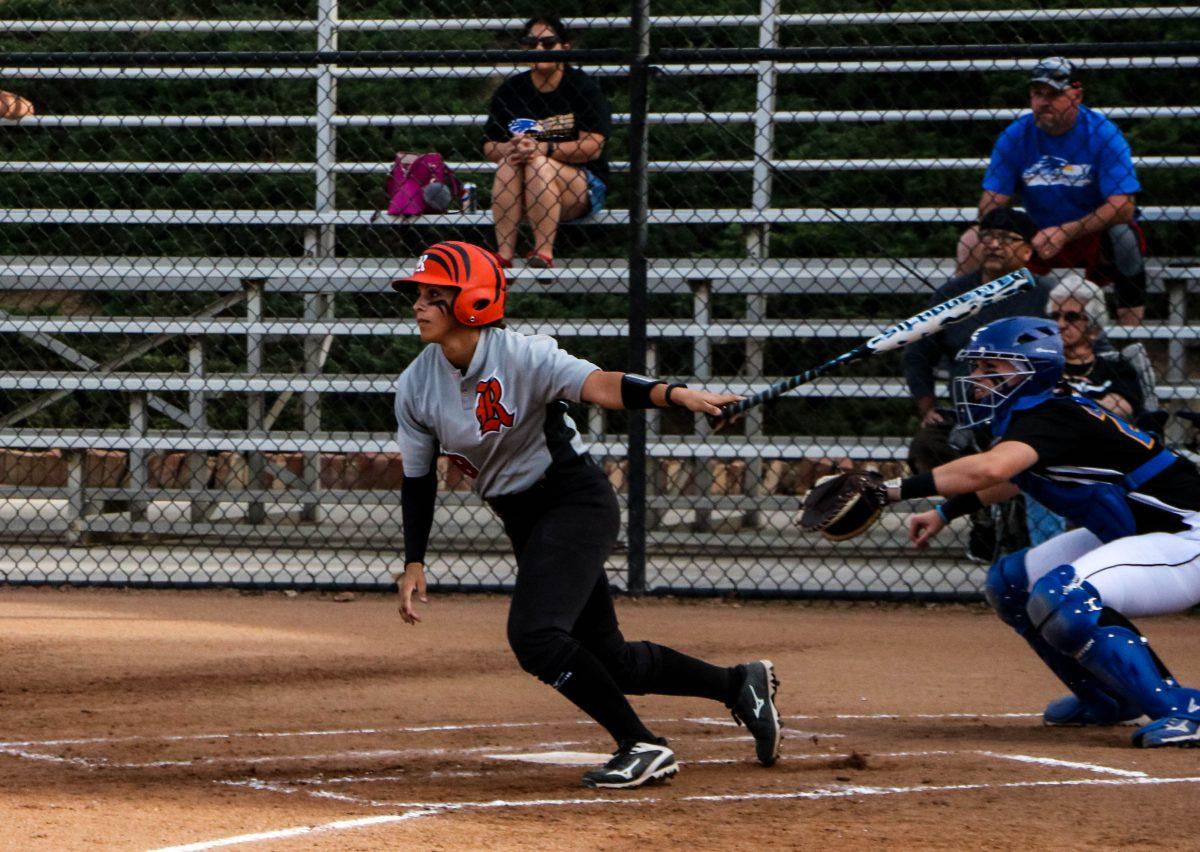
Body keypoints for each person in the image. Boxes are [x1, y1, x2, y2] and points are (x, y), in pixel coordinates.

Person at [391, 240, 782, 789]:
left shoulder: (524, 355)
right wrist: (414, 560)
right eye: (419, 294)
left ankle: (641, 744)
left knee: (535, 637)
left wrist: (676, 395)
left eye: (435, 294)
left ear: (473, 299)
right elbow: (416, 478)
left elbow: (602, 385)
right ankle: (738, 684)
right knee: (610, 658)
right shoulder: (415, 385)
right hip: (523, 519)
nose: (419, 304)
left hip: (573, 501)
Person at [893, 316, 1200, 748]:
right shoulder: (1035, 416)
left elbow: (991, 468)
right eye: (977, 368)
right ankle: (1107, 698)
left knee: (1068, 596)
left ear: (1031, 371)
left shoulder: (1051, 414)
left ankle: (1184, 709)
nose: (977, 379)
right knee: (1011, 582)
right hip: (1137, 531)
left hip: (1187, 537)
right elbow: (1013, 478)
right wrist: (946, 511)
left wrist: (891, 490)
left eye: (992, 369)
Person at [904, 207, 1053, 559]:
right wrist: (926, 407)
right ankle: (981, 512)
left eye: (1006, 239)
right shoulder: (953, 295)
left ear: (1027, 251)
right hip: (967, 413)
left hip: (1027, 412)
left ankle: (1020, 521)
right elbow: (916, 352)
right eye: (988, 237)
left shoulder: (1046, 294)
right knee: (928, 443)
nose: (994, 245)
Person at [955, 57, 1147, 326]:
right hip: (1037, 235)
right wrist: (998, 230)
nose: (1044, 102)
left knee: (1124, 238)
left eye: (1054, 95)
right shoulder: (1016, 134)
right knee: (972, 241)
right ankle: (967, 332)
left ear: (1076, 96)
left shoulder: (1104, 133)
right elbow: (993, 201)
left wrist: (1066, 231)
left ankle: (1131, 339)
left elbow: (1123, 206)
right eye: (1037, 94)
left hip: (1091, 233)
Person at [483, 16, 611, 269]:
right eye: (531, 44)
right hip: (523, 186)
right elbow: (489, 146)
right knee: (510, 162)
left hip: (580, 185)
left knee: (540, 164)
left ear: (565, 47)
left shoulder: (582, 87)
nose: (539, 49)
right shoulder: (511, 89)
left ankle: (543, 252)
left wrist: (546, 148)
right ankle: (504, 255)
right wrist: (512, 148)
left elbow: (593, 146)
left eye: (548, 43)